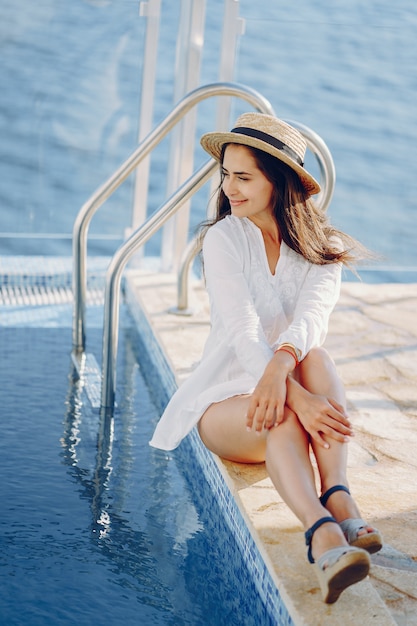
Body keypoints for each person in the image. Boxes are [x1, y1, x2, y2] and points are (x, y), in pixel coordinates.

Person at [150, 112, 382, 604]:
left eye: (243, 177)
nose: (229, 188)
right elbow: (241, 331)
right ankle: (322, 534)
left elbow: (313, 318)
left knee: (314, 356)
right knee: (280, 412)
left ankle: (337, 491)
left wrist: (283, 366)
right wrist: (291, 392)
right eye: (226, 174)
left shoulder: (325, 247)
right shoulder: (223, 238)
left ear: (277, 181)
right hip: (226, 403)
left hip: (283, 378)